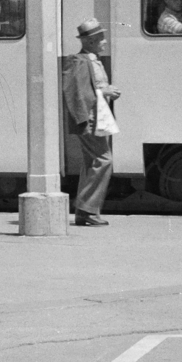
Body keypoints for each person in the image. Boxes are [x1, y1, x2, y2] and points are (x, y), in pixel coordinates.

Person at [62, 18, 119, 227]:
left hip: (98, 115)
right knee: (104, 160)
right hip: (91, 118)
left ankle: (85, 211)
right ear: (91, 41)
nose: (104, 42)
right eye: (101, 38)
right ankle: (86, 208)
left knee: (92, 163)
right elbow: (75, 91)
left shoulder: (92, 59)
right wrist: (104, 91)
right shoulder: (80, 61)